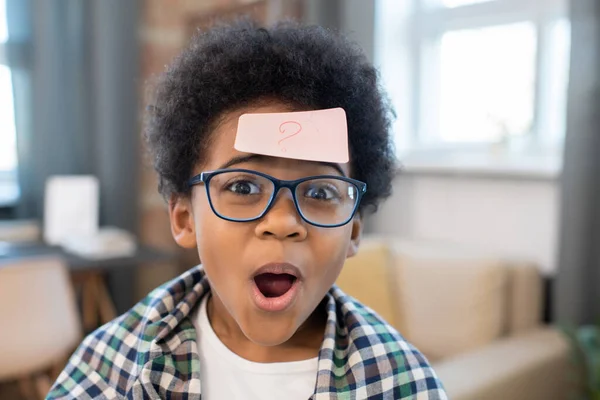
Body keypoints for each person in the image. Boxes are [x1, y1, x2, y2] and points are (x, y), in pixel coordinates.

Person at [48, 19, 447, 400]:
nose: (282, 223)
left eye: (322, 193)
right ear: (184, 218)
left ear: (354, 232)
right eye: (243, 186)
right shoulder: (111, 368)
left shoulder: (403, 382)